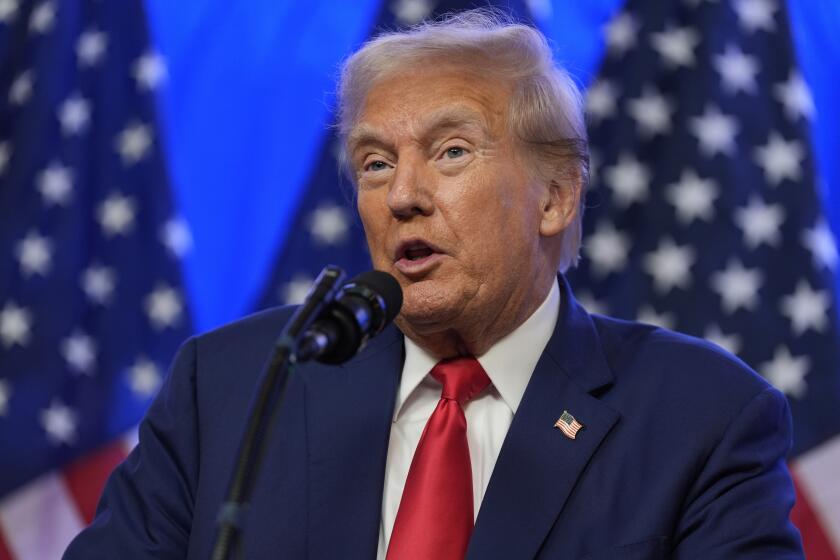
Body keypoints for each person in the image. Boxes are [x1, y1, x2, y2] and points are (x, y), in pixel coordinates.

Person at [65, 10, 804, 559]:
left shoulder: (703, 417)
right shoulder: (237, 385)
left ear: (556, 197)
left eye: (450, 151)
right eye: (375, 162)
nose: (402, 196)